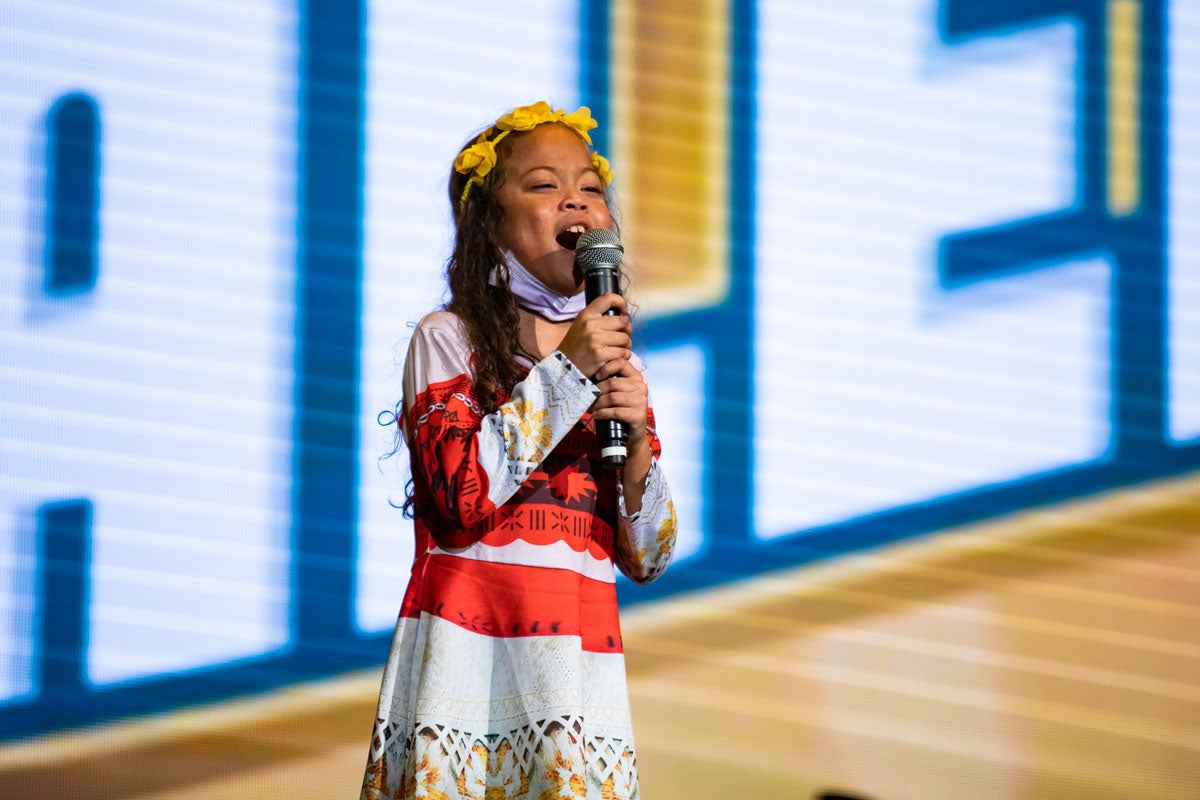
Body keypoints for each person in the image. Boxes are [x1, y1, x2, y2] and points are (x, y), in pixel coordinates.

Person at [361, 101, 677, 800]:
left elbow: (648, 555)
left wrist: (635, 455)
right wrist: (567, 370)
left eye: (591, 187)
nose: (575, 198)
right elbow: (458, 497)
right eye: (542, 185)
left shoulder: (614, 363)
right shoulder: (451, 338)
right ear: (489, 223)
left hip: (578, 672)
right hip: (469, 667)